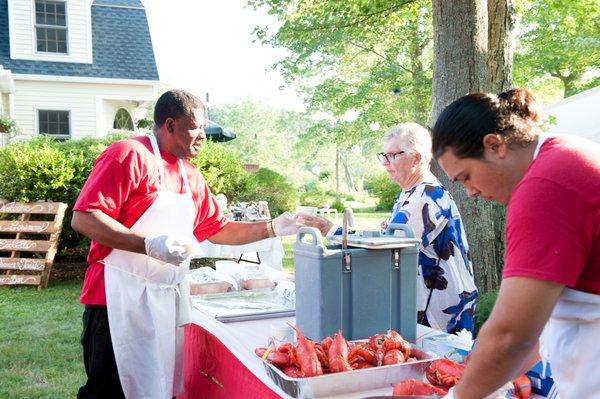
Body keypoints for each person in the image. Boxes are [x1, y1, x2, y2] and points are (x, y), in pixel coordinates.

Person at [71, 89, 301, 399]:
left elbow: (218, 229)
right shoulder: (128, 154)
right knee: (109, 391)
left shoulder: (190, 175)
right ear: (170, 125)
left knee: (158, 386)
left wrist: (273, 227)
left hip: (162, 301)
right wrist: (149, 245)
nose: (203, 135)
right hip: (114, 300)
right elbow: (85, 218)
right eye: (197, 127)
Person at [431, 88, 600, 399]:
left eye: (466, 176)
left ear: (494, 146)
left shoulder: (544, 187)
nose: (470, 192)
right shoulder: (564, 154)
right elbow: (531, 328)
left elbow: (511, 336)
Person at [305, 122, 478, 334]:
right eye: (384, 156)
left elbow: (384, 247)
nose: (385, 163)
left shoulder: (426, 195)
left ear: (417, 158)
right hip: (430, 309)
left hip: (441, 315)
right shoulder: (410, 192)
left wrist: (330, 230)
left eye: (392, 155)